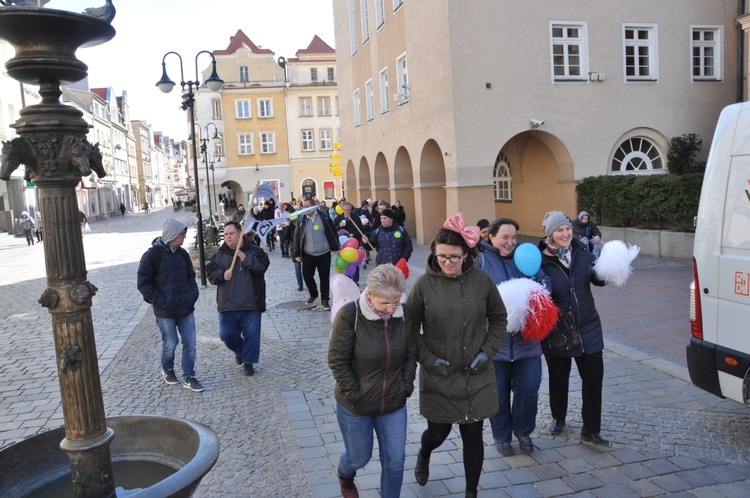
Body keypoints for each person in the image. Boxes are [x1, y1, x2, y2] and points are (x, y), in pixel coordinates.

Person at [406, 213, 507, 498]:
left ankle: (471, 492)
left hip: (477, 373)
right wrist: (427, 358)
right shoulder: (423, 285)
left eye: (453, 257)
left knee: (473, 435)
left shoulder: (482, 280)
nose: (447, 263)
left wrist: (488, 352)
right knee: (438, 433)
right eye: (441, 257)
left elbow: (499, 318)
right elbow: (411, 327)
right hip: (440, 374)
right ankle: (424, 452)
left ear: (466, 254)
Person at [328, 264, 417, 498]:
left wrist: (406, 386)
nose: (390, 309)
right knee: (359, 457)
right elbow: (337, 360)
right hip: (355, 405)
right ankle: (345, 474)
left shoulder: (405, 314)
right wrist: (355, 394)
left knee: (395, 462)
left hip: (393, 402)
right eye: (384, 303)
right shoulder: (350, 315)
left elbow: (411, 353)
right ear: (369, 294)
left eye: (395, 303)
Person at [476, 217, 550, 456]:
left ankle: (523, 431)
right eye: (505, 237)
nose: (510, 242)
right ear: (491, 237)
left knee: (528, 390)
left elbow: (543, 281)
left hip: (527, 343)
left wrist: (536, 297)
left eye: (514, 237)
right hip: (495, 345)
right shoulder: (481, 261)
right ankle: (501, 436)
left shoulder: (525, 258)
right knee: (497, 395)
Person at [538, 211, 608, 445]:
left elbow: (597, 279)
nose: (565, 233)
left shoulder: (582, 251)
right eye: (559, 230)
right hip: (558, 329)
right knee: (558, 378)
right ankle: (559, 417)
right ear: (550, 234)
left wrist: (610, 268)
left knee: (594, 377)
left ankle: (591, 429)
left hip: (588, 324)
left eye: (567, 228)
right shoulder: (540, 260)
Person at [137, 219, 203, 392]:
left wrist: (192, 295)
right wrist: (162, 301)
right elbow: (143, 283)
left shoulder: (182, 254)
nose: (184, 236)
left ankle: (189, 376)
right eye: (182, 234)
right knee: (170, 344)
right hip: (165, 312)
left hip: (186, 309)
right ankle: (167, 368)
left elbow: (191, 276)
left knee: (190, 342)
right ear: (172, 235)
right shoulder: (152, 256)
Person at [207, 223, 270, 376]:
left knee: (252, 336)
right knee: (226, 335)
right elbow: (210, 275)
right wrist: (222, 274)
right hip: (228, 304)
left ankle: (248, 362)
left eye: (231, 234)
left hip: (251, 303)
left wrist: (245, 258)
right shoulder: (218, 255)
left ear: (240, 233)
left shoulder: (255, 251)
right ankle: (241, 351)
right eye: (226, 234)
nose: (228, 237)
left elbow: (262, 267)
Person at [291, 198, 340, 311]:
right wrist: (296, 254)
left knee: (324, 277)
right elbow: (297, 237)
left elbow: (333, 232)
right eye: (303, 206)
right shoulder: (302, 219)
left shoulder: (325, 217)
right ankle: (313, 294)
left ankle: (325, 300)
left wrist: (336, 247)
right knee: (307, 275)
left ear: (313, 206)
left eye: (307, 206)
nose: (304, 209)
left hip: (324, 252)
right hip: (308, 253)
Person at [333, 202, 366, 283]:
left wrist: (353, 234)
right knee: (346, 261)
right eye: (346, 210)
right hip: (343, 244)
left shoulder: (356, 218)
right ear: (342, 210)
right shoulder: (338, 219)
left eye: (349, 210)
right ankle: (348, 279)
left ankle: (355, 280)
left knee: (355, 260)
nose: (347, 212)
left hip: (354, 243)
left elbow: (361, 230)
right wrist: (339, 226)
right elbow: (333, 232)